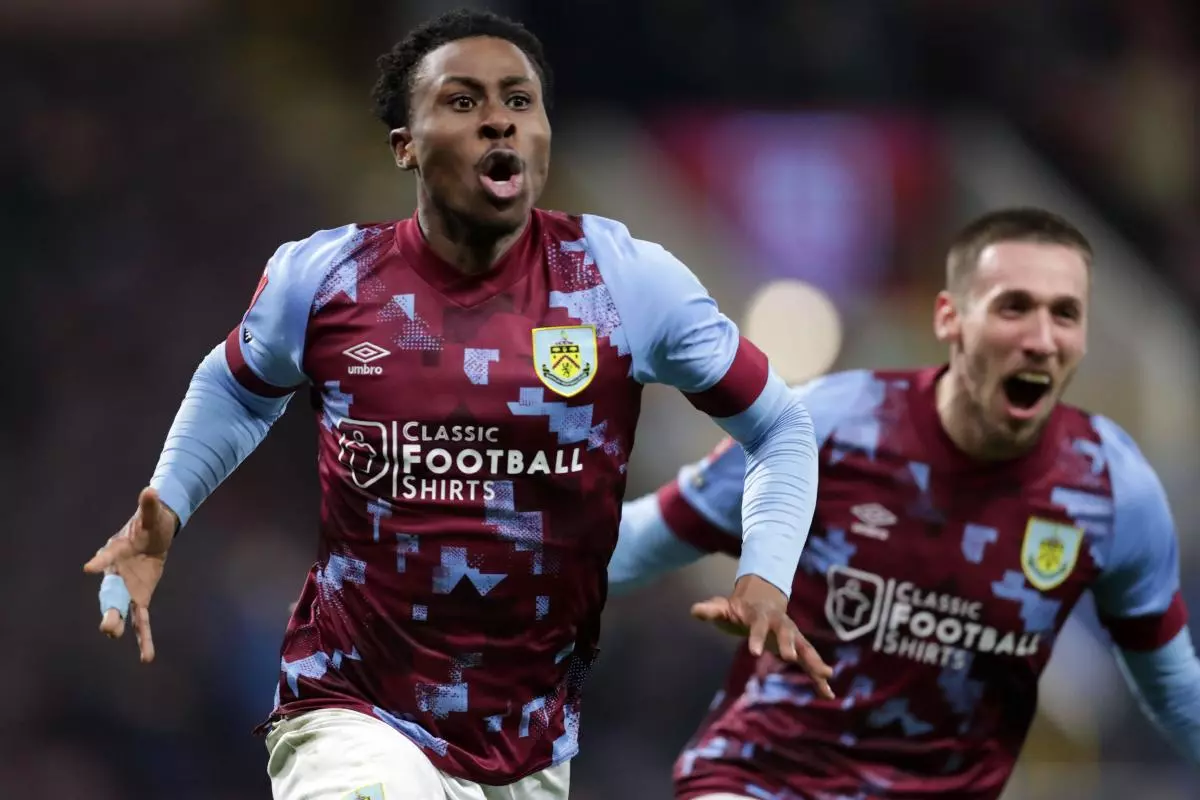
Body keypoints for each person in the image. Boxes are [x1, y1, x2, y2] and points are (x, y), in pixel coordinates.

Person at [82, 9, 833, 800]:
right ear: (406, 143)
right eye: (463, 102)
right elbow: (236, 386)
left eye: (520, 99)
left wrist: (767, 574)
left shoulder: (627, 283)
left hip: (528, 743)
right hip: (351, 708)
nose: (499, 119)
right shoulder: (325, 279)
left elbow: (781, 427)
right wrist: (162, 512)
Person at [608, 207, 1200, 800]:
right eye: (1014, 307)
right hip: (764, 784)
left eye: (1064, 314)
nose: (1041, 340)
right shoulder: (830, 429)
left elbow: (1173, 691)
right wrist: (518, 554)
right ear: (951, 318)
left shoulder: (1109, 488)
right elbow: (636, 543)